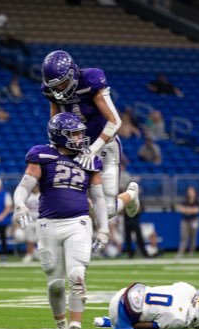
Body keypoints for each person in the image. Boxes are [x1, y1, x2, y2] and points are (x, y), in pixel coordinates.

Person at [13, 112, 109, 329]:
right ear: (59, 135)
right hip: (48, 224)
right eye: (74, 134)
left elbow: (98, 199)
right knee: (56, 284)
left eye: (79, 133)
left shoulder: (89, 159)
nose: (79, 138)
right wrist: (19, 204)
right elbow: (24, 186)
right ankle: (61, 327)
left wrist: (104, 228)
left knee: (77, 276)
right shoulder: (42, 154)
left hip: (78, 222)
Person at [41, 50, 139, 220]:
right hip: (76, 148)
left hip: (104, 146)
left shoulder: (91, 80)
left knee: (108, 211)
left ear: (72, 74)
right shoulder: (51, 91)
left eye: (62, 84)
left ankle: (131, 194)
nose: (58, 89)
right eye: (54, 86)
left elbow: (115, 121)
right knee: (75, 205)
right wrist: (55, 147)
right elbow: (55, 120)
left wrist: (93, 149)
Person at [94, 282, 199, 329]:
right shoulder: (178, 321)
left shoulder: (188, 289)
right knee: (138, 323)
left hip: (125, 291)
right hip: (123, 314)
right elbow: (144, 326)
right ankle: (111, 322)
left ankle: (108, 321)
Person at [15, 186, 40, 263]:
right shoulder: (27, 196)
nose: (35, 188)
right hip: (29, 220)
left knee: (41, 239)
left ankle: (41, 254)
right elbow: (20, 208)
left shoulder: (42, 195)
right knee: (29, 239)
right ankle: (29, 254)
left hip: (40, 220)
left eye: (36, 186)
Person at [175, 186, 199, 258]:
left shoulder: (196, 202)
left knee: (193, 238)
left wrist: (187, 210)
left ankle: (191, 253)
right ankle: (180, 253)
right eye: (189, 191)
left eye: (192, 191)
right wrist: (190, 210)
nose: (191, 193)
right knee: (184, 238)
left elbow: (197, 210)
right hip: (185, 221)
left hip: (194, 221)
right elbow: (181, 209)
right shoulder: (185, 201)